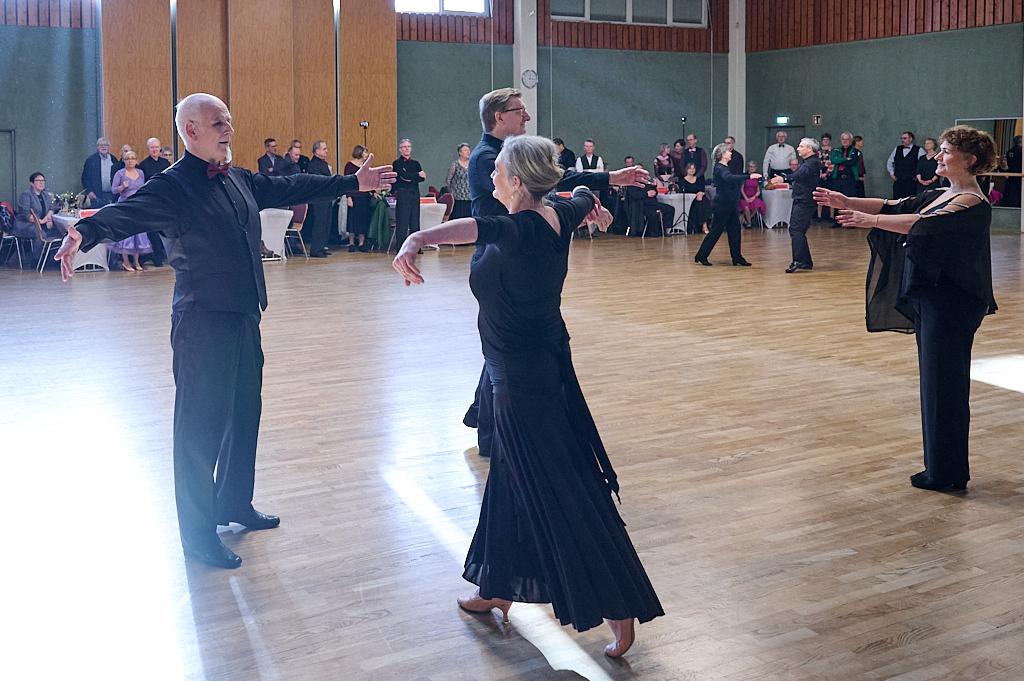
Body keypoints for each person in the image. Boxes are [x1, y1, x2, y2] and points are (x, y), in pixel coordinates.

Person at [53, 93, 397, 569]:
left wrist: (351, 182)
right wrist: (83, 233)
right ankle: (197, 536)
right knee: (199, 433)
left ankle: (233, 503)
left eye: (230, 119)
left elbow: (290, 184)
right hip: (202, 323)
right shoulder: (172, 186)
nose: (229, 128)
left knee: (243, 415)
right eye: (218, 122)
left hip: (244, 316)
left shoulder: (238, 178)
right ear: (190, 130)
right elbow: (125, 212)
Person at [392, 134, 664, 658]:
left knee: (559, 485)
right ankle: (496, 586)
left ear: (516, 180)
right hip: (529, 370)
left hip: (522, 381)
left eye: (496, 171)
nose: (489, 177)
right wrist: (601, 199)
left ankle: (617, 602)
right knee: (511, 483)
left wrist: (416, 240)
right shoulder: (559, 212)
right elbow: (581, 191)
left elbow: (472, 227)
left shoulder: (518, 228)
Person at [463, 87, 648, 461]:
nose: (527, 118)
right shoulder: (489, 157)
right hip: (499, 264)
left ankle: (485, 422)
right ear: (500, 117)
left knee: (500, 347)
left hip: (517, 259)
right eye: (520, 111)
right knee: (503, 349)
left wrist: (594, 191)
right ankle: (489, 432)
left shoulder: (501, 154)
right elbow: (545, 182)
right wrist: (607, 180)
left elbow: (550, 191)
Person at [815, 125, 997, 492]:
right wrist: (846, 201)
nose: (937, 156)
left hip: (952, 305)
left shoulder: (972, 204)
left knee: (944, 387)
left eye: (945, 151)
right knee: (935, 386)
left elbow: (920, 225)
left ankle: (947, 473)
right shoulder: (944, 194)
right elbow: (893, 205)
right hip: (935, 301)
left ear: (969, 159)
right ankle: (941, 468)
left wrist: (871, 222)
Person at [694, 144, 760, 266]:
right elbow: (729, 178)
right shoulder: (720, 168)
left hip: (730, 204)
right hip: (722, 205)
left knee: (735, 230)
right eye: (729, 151)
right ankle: (701, 256)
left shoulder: (725, 167)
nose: (731, 153)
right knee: (716, 231)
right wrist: (748, 176)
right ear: (723, 154)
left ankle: (737, 257)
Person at [769, 137, 821, 273]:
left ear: (809, 149)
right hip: (802, 199)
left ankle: (798, 260)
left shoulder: (812, 163)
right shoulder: (809, 162)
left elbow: (800, 174)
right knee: (799, 231)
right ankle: (805, 261)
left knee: (796, 229)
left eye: (801, 146)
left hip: (805, 201)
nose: (798, 148)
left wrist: (784, 178)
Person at [110, 151, 152, 271]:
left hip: (138, 205)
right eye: (127, 158)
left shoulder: (140, 173)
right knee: (126, 233)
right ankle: (126, 262)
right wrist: (122, 187)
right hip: (125, 204)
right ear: (124, 160)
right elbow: (113, 190)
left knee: (138, 233)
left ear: (136, 160)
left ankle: (136, 261)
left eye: (133, 158)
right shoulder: (120, 173)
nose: (130, 160)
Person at [138, 137, 171, 267]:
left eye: (157, 147)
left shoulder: (165, 163)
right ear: (148, 149)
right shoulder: (144, 165)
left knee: (164, 228)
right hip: (151, 200)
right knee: (152, 229)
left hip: (165, 200)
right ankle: (156, 256)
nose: (155, 150)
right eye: (152, 148)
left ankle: (164, 255)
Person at [13, 172, 59, 259]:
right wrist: (41, 222)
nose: (42, 183)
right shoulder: (26, 195)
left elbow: (52, 208)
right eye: (38, 180)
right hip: (25, 224)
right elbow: (26, 214)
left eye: (43, 181)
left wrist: (48, 218)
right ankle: (37, 260)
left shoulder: (45, 194)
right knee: (39, 232)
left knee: (59, 230)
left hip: (41, 223)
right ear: (32, 183)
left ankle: (53, 259)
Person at [392, 138, 425, 251]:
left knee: (415, 221)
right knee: (403, 221)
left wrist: (413, 176)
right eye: (404, 147)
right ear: (400, 149)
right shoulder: (397, 163)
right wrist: (416, 175)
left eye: (408, 146)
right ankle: (401, 248)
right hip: (403, 193)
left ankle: (416, 247)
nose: (407, 148)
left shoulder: (416, 163)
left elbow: (423, 178)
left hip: (415, 194)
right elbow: (403, 176)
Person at [624, 164, 673, 237]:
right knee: (653, 214)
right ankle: (653, 232)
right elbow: (634, 195)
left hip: (653, 203)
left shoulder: (647, 181)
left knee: (670, 209)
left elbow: (654, 191)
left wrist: (654, 190)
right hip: (641, 205)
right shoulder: (631, 183)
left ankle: (665, 229)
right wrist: (647, 194)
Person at [305, 140, 334, 258]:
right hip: (319, 198)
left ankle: (322, 246)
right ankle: (315, 249)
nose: (326, 151)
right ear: (317, 151)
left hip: (326, 197)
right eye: (324, 149)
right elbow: (319, 180)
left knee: (326, 223)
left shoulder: (323, 163)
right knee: (320, 223)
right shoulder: (313, 164)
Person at [344, 145, 371, 252]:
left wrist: (373, 192)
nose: (367, 155)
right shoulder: (349, 165)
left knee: (363, 219)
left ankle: (361, 243)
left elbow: (369, 180)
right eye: (365, 152)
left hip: (364, 196)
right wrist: (348, 197)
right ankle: (351, 242)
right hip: (354, 196)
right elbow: (346, 182)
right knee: (352, 220)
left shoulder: (366, 166)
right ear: (359, 152)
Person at [81, 137, 122, 208]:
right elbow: (85, 178)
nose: (103, 147)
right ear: (97, 147)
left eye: (106, 145)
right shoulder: (91, 160)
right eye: (101, 145)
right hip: (96, 195)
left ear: (109, 147)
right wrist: (89, 191)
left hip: (111, 195)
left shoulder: (113, 159)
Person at [830, 132, 861, 218]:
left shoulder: (855, 151)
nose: (845, 141)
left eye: (847, 139)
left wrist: (840, 161)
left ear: (851, 140)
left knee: (850, 200)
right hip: (838, 178)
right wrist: (845, 159)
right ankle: (838, 220)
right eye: (843, 139)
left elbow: (852, 162)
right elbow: (833, 160)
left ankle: (850, 220)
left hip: (849, 179)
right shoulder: (837, 150)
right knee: (837, 200)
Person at [887, 130, 925, 199]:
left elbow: (923, 164)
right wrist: (892, 173)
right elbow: (889, 162)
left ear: (911, 139)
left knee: (910, 202)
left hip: (912, 181)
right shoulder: (897, 149)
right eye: (901, 138)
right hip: (898, 181)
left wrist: (918, 176)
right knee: (896, 201)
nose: (902, 140)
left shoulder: (919, 150)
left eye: (904, 138)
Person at [678, 162, 709, 234]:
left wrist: (701, 193)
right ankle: (704, 226)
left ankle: (704, 225)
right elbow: (682, 192)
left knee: (704, 201)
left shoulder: (699, 179)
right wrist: (694, 196)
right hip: (689, 200)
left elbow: (702, 189)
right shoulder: (682, 180)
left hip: (700, 198)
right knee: (700, 204)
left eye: (693, 168)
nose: (692, 170)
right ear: (686, 170)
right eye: (690, 168)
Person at [446, 143, 472, 219]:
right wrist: (452, 193)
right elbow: (448, 180)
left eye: (468, 150)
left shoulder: (472, 164)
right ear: (460, 152)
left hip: (470, 198)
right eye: (465, 150)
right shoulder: (455, 165)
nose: (468, 152)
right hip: (458, 199)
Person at [737, 161, 766, 228]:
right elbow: (741, 189)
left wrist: (753, 197)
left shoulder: (758, 177)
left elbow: (758, 191)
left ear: (756, 168)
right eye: (750, 167)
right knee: (746, 207)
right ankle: (749, 223)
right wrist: (747, 198)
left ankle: (747, 220)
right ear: (748, 168)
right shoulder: (744, 176)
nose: (752, 168)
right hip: (744, 197)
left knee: (758, 204)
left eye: (753, 167)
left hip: (754, 197)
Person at [1003, 135, 1022, 207]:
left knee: (1011, 191)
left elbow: (1009, 162)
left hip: (1011, 174)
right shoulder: (1021, 151)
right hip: (1020, 175)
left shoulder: (1010, 151)